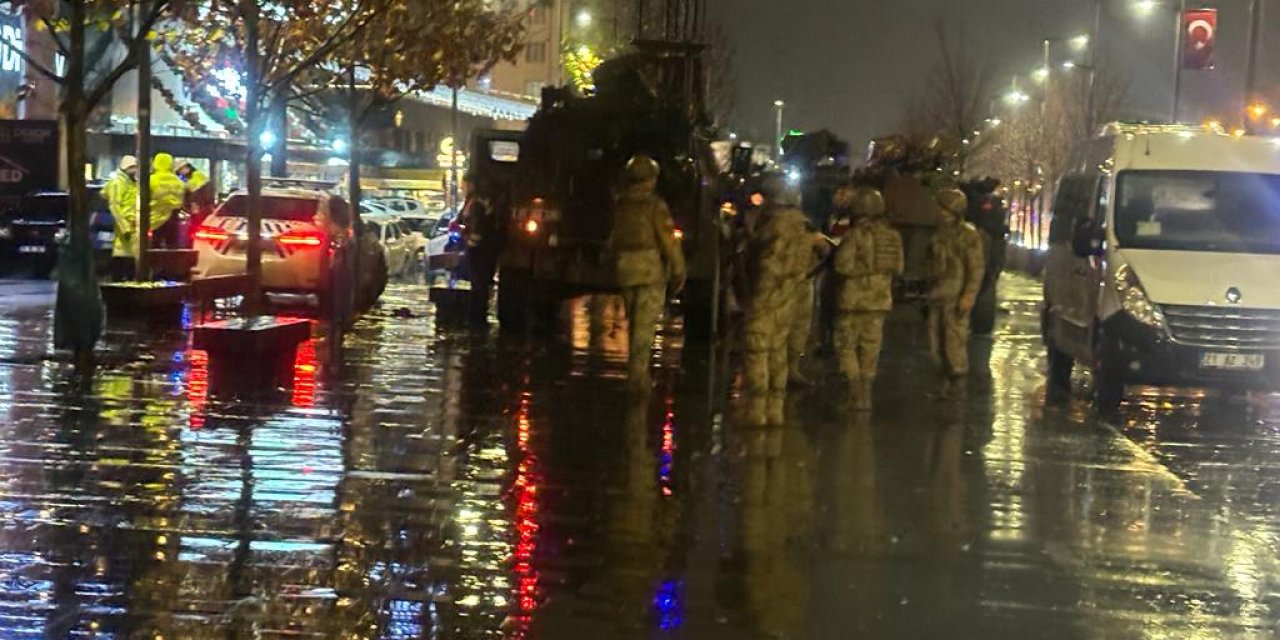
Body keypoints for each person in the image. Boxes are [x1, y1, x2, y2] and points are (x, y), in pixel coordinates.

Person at [609, 154, 686, 386]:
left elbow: (613, 239)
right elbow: (668, 241)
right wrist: (679, 269)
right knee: (644, 328)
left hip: (626, 271)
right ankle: (638, 380)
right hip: (649, 273)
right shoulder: (655, 206)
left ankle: (636, 373)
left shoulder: (622, 204)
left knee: (634, 323)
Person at [742, 173, 810, 426]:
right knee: (778, 351)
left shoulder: (776, 227)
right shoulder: (799, 225)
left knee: (758, 349)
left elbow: (768, 265)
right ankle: (775, 411)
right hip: (788, 297)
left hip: (769, 295)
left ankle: (757, 412)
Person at [831, 187, 903, 410]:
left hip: (853, 300)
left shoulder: (855, 235)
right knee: (871, 348)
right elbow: (899, 267)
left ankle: (853, 393)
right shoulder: (893, 236)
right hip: (880, 301)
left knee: (846, 346)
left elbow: (842, 265)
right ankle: (866, 396)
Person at [927, 188, 985, 395]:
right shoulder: (938, 232)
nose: (941, 212)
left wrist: (968, 295)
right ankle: (944, 384)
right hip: (938, 295)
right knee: (935, 345)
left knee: (954, 344)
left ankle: (957, 387)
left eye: (945, 208)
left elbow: (976, 269)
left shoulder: (968, 235)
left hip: (955, 296)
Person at [786, 221, 829, 387]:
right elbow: (829, 253)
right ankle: (790, 370)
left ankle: (785, 371)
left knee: (791, 328)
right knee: (798, 327)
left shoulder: (772, 228)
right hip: (801, 285)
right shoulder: (812, 233)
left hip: (782, 285)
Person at [459, 172, 503, 327]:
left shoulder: (476, 203)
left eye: (464, 184)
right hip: (485, 249)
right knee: (481, 284)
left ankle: (475, 319)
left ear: (471, 185)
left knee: (479, 285)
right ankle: (477, 317)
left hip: (479, 251)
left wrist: (471, 244)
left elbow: (477, 227)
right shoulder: (478, 201)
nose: (462, 187)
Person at [105, 155, 139, 280]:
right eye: (133, 167)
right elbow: (114, 206)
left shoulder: (130, 182)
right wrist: (124, 227)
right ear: (127, 168)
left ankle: (127, 281)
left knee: (129, 255)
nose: (135, 170)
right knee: (121, 255)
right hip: (125, 226)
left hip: (132, 225)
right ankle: (118, 281)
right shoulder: (118, 183)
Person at [149, 153, 186, 248]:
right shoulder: (178, 182)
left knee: (154, 246)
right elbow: (181, 200)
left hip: (153, 217)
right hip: (173, 217)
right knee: (172, 246)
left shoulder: (151, 180)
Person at [177, 161, 215, 230]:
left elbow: (192, 191)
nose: (180, 173)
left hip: (201, 211)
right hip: (200, 210)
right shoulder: (196, 177)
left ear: (187, 168)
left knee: (197, 229)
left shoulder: (197, 177)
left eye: (180, 170)